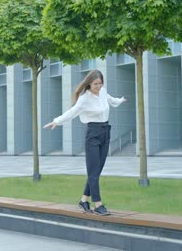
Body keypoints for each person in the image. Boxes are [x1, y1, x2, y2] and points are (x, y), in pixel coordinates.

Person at [43, 69, 126, 216]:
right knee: (93, 171)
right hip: (93, 134)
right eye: (95, 84)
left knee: (97, 170)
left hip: (106, 131)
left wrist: (120, 100)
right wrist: (56, 121)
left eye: (100, 83)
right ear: (89, 83)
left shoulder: (103, 92)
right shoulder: (84, 99)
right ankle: (98, 204)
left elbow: (111, 101)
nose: (98, 87)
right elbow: (72, 112)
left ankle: (83, 201)